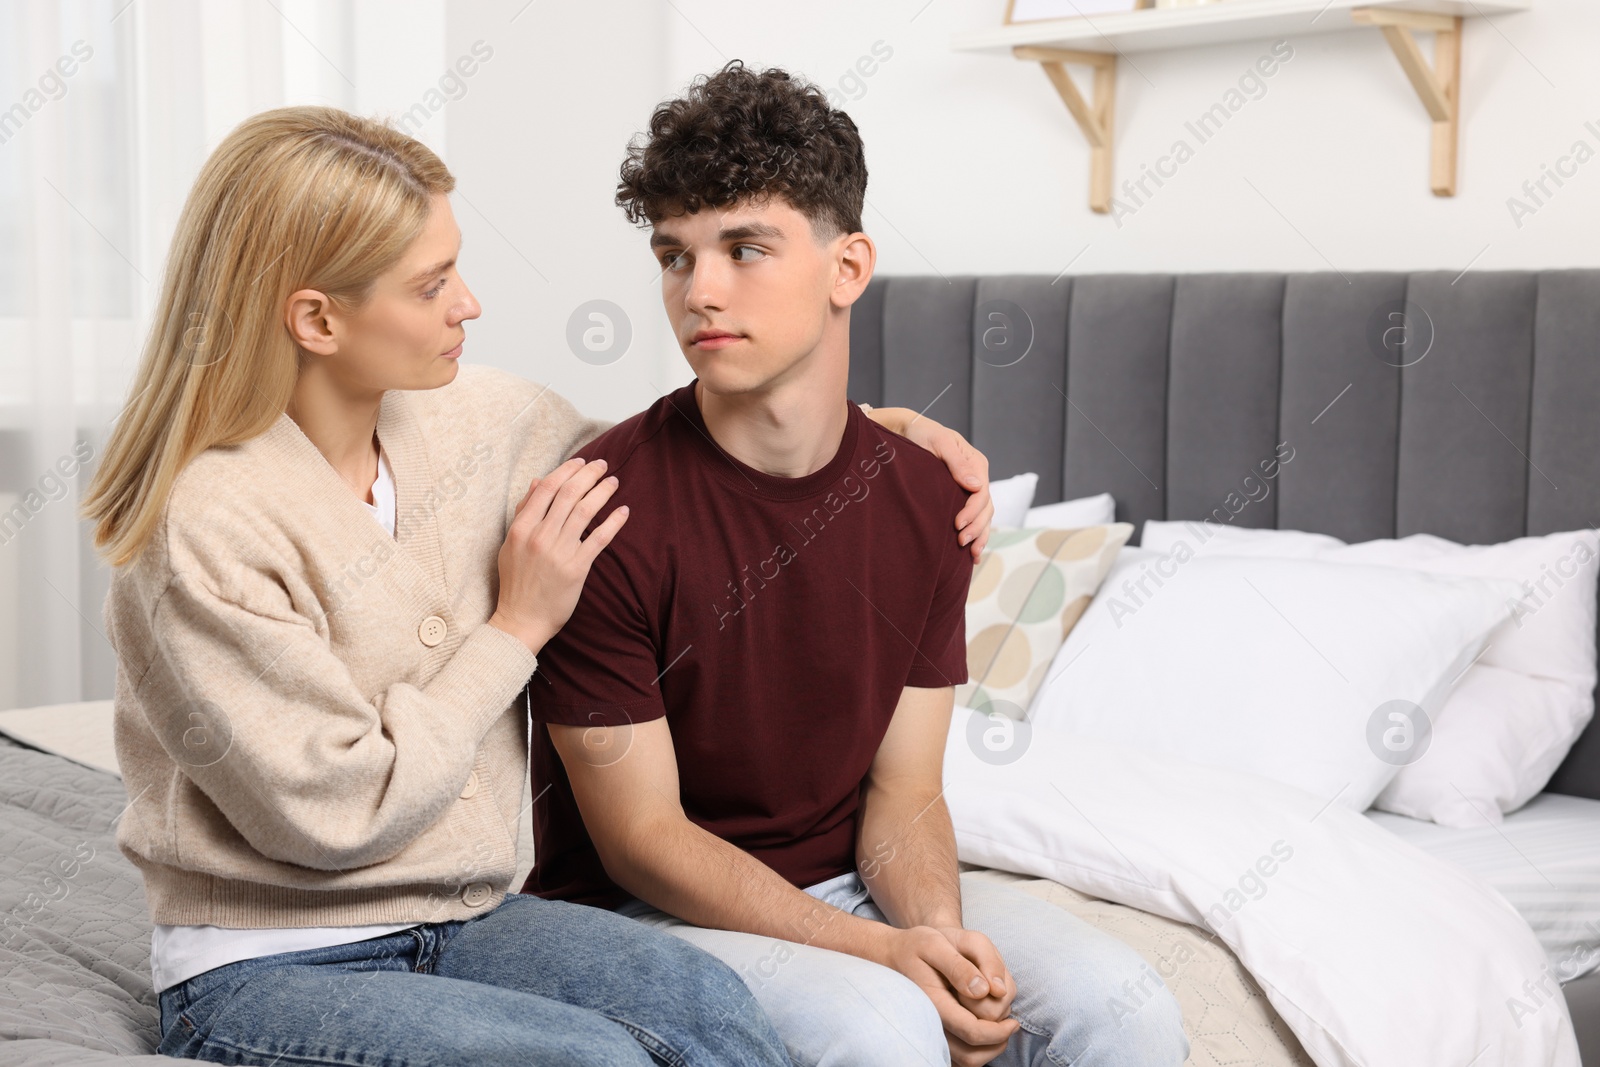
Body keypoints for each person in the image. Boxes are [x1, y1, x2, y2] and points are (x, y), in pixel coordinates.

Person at [82, 105, 990, 1067]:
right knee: (598, 1059)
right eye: (432, 285)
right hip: (274, 959)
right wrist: (515, 629)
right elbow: (340, 814)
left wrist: (877, 434)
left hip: (465, 917)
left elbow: (686, 455)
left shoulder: (487, 422)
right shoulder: (206, 523)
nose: (469, 304)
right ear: (317, 318)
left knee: (712, 1007)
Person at [524, 64, 1192, 1067]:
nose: (699, 290)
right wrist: (882, 955)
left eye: (745, 248)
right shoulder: (604, 505)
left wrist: (937, 936)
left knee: (1125, 1004)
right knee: (883, 1025)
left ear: (847, 266)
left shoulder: (928, 497)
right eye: (674, 255)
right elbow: (642, 840)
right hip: (641, 909)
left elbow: (908, 785)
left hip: (847, 877)